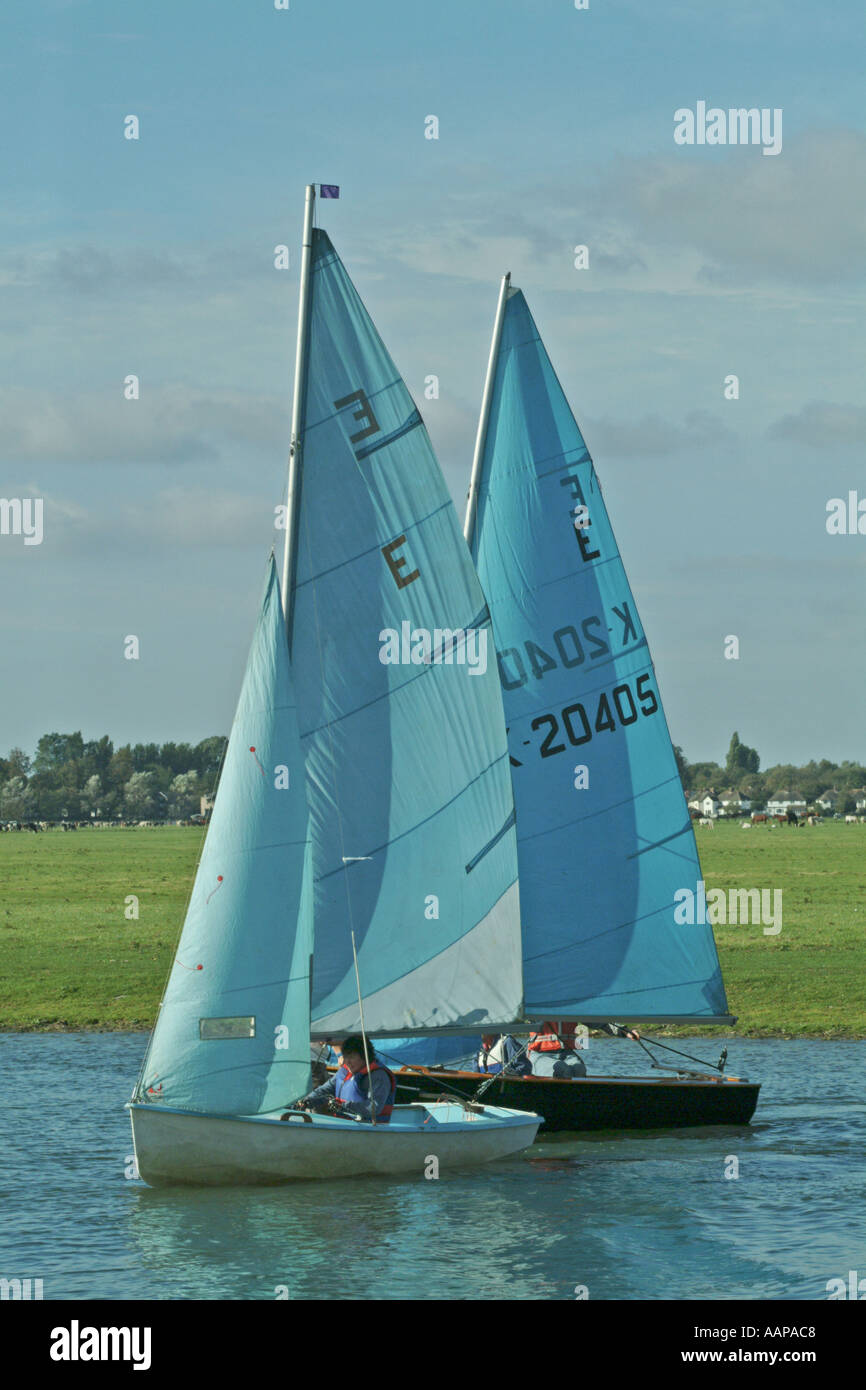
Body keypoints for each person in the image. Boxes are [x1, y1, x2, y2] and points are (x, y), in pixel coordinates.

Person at [288, 1035, 396, 1123]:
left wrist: (343, 1106)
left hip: (368, 1130)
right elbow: (324, 1090)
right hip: (345, 1126)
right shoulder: (344, 1072)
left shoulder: (379, 1076)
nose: (347, 1062)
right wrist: (307, 1101)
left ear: (365, 1056)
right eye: (346, 1057)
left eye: (352, 1057)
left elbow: (374, 1108)